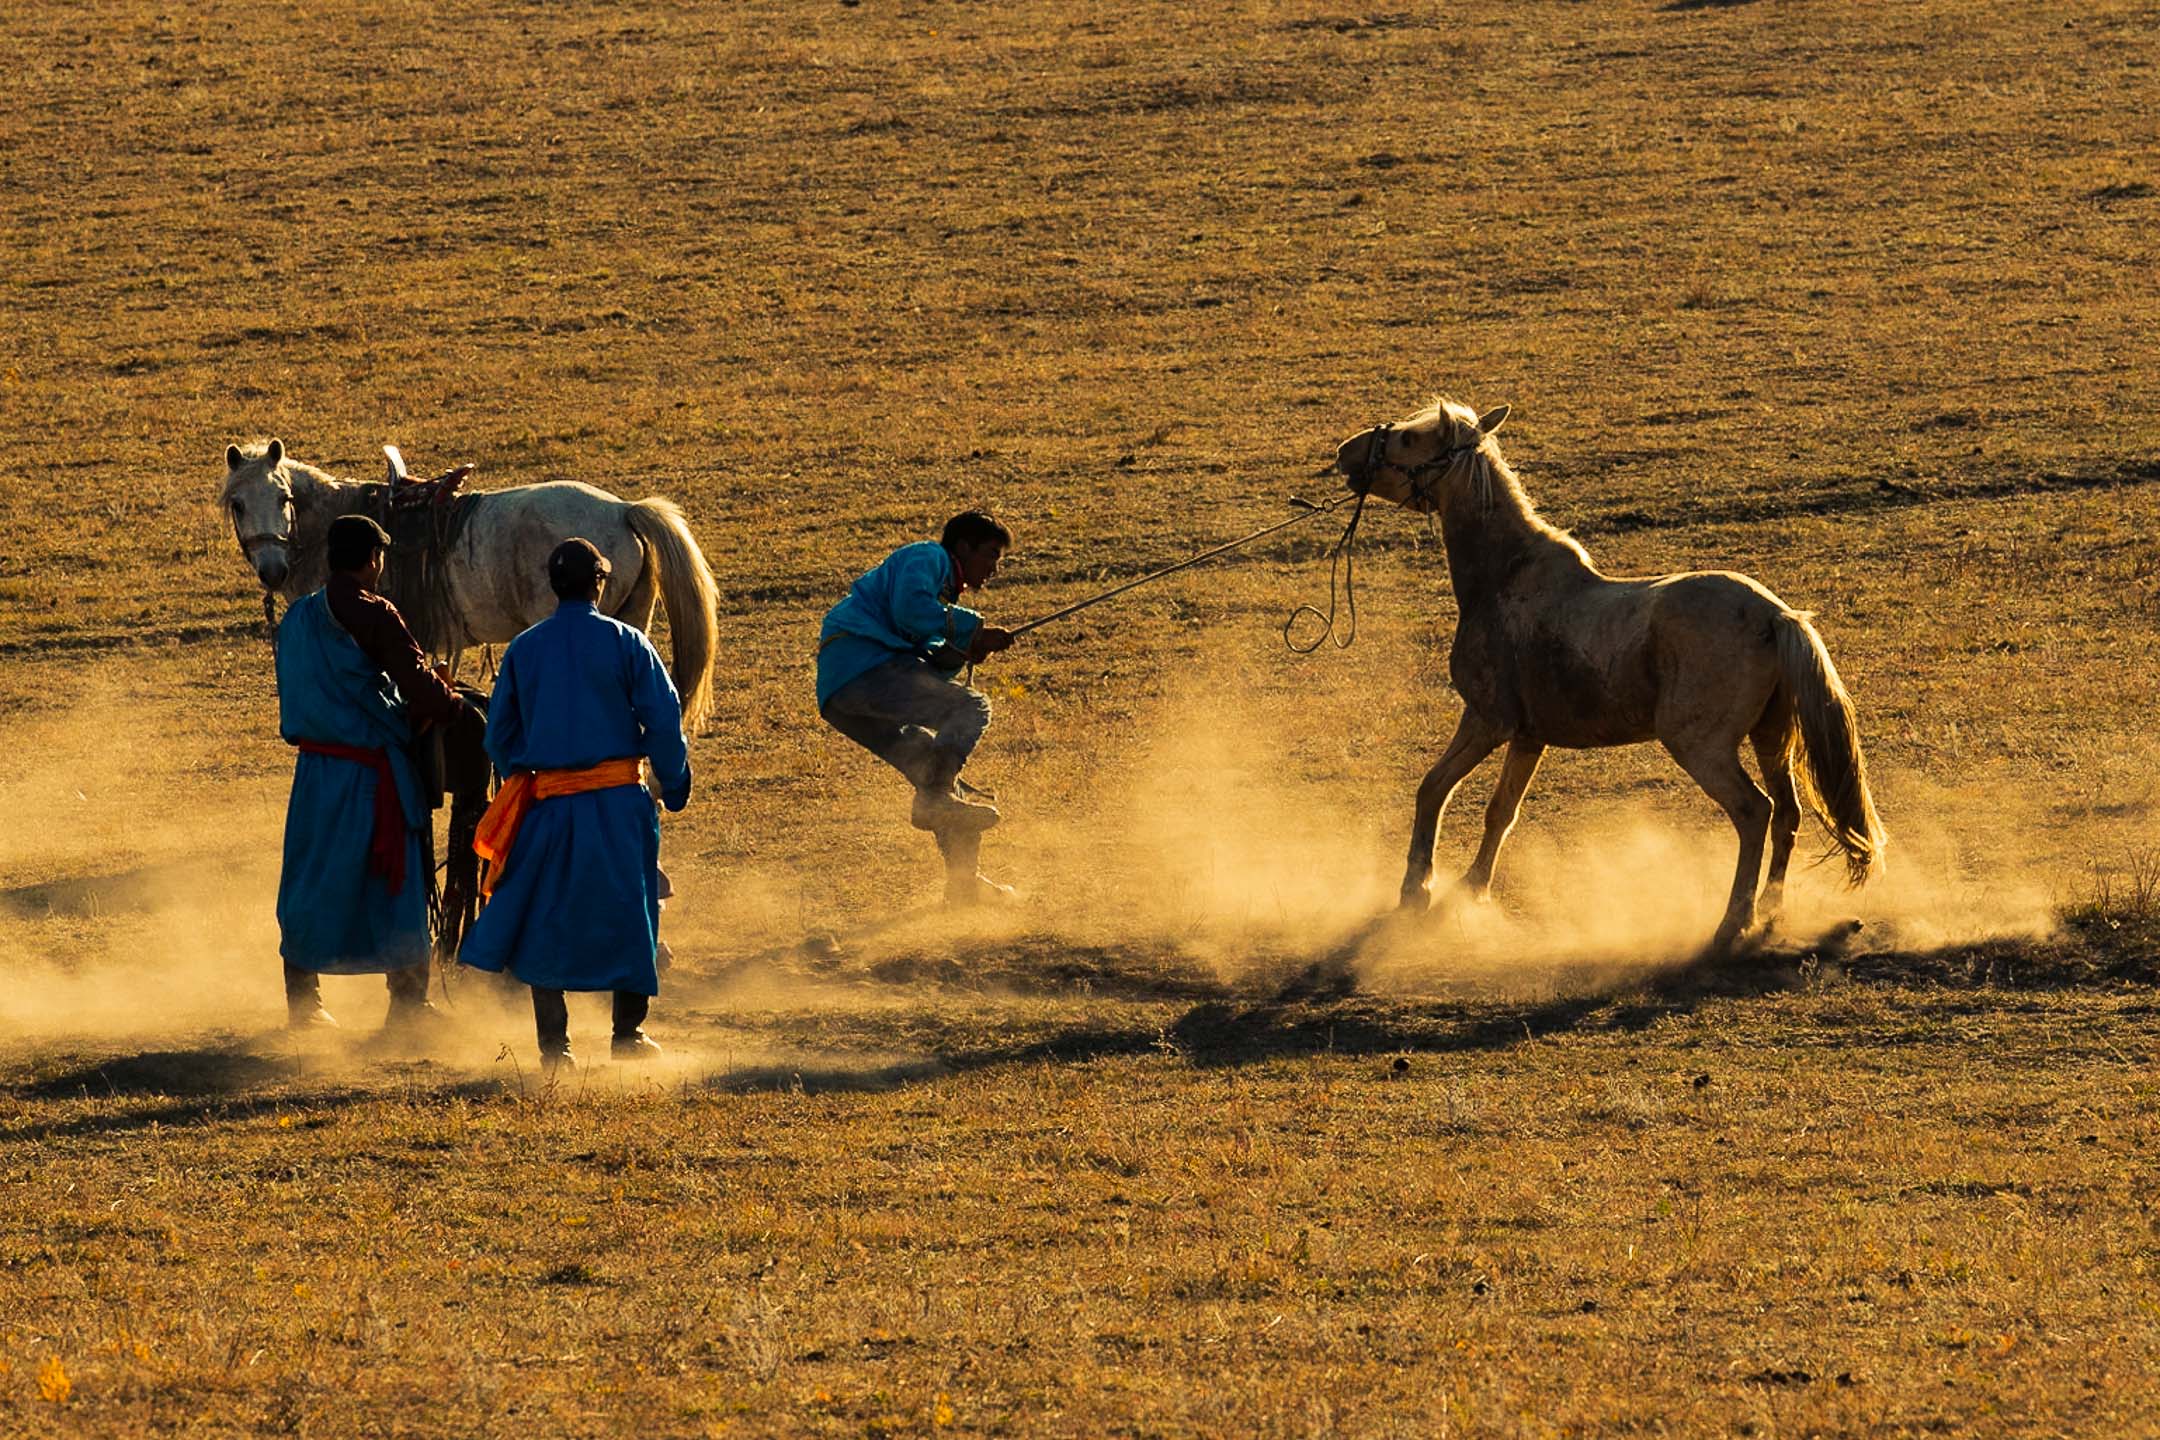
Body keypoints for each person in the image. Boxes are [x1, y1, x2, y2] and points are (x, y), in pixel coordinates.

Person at [460, 538, 691, 1070]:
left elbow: (499, 736)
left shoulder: (523, 649)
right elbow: (663, 718)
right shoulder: (629, 642)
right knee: (632, 911)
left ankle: (554, 1049)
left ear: (552, 584)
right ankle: (628, 1036)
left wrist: (537, 769)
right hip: (617, 805)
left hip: (548, 806)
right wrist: (675, 783)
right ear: (599, 584)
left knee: (546, 917)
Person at [275, 513, 468, 1031]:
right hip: (372, 775)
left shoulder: (296, 619)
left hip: (315, 776)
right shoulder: (374, 612)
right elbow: (421, 686)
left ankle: (304, 1002)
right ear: (372, 561)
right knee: (396, 882)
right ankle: (407, 1005)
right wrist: (452, 706)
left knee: (310, 879)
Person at [817, 509, 1017, 905]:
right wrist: (972, 629)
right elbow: (910, 610)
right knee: (971, 707)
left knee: (936, 774)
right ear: (963, 547)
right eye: (991, 554)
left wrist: (966, 649)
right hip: (863, 667)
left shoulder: (941, 593)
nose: (995, 567)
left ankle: (964, 886)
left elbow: (925, 671)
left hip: (845, 694)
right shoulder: (928, 557)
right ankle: (934, 801)